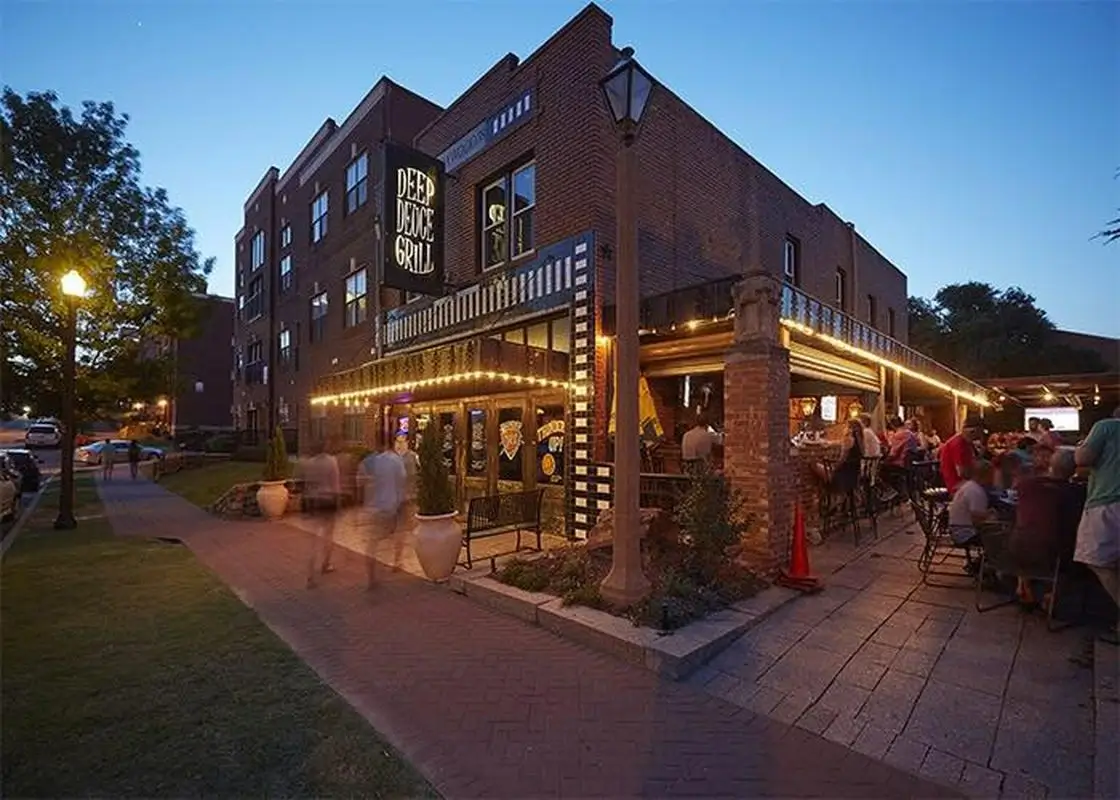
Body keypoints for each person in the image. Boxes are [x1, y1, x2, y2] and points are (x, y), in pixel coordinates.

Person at [1009, 448, 1086, 607]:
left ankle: (1024, 585)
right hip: (1051, 552)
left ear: (1051, 465)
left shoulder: (1027, 485)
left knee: (1027, 533)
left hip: (1017, 548)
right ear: (1073, 471)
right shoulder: (1077, 492)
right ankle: (1052, 595)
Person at [1074, 406, 1120, 644]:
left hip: (1108, 502)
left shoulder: (1107, 427)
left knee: (1096, 559)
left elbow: (1082, 459)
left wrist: (1081, 446)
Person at [359, 432, 407, 590]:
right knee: (391, 538)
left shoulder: (370, 461)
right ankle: (392, 564)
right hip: (391, 506)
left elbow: (360, 480)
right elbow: (402, 482)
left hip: (373, 506)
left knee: (373, 543)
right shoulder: (396, 460)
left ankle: (372, 577)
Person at [302, 439, 341, 589]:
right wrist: (338, 503)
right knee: (328, 535)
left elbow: (307, 484)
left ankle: (310, 575)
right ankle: (326, 563)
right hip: (328, 500)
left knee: (313, 540)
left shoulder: (310, 463)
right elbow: (335, 485)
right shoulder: (332, 461)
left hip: (314, 501)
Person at [947, 460, 997, 572]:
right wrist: (992, 516)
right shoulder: (976, 492)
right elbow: (977, 520)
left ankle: (981, 564)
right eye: (992, 475)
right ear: (984, 475)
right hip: (965, 533)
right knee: (1001, 538)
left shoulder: (969, 486)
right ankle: (987, 568)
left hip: (957, 529)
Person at [939, 415, 984, 495]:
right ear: (972, 431)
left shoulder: (966, 443)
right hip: (958, 486)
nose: (978, 437)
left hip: (964, 484)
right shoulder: (958, 444)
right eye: (978, 434)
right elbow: (962, 473)